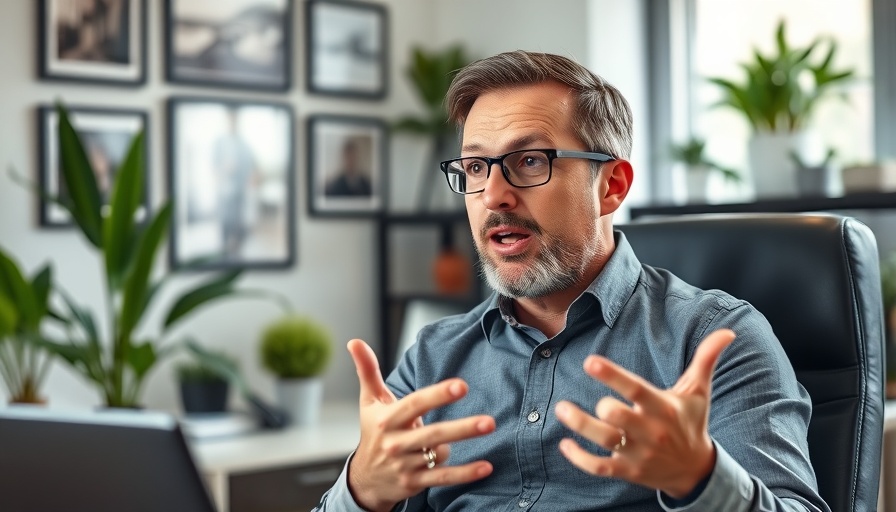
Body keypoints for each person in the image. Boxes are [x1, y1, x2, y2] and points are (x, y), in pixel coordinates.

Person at [314, 51, 829, 511]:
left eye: (530, 161)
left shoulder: (711, 339)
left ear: (612, 186)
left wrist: (699, 478)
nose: (493, 195)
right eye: (475, 167)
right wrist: (360, 491)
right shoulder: (434, 356)